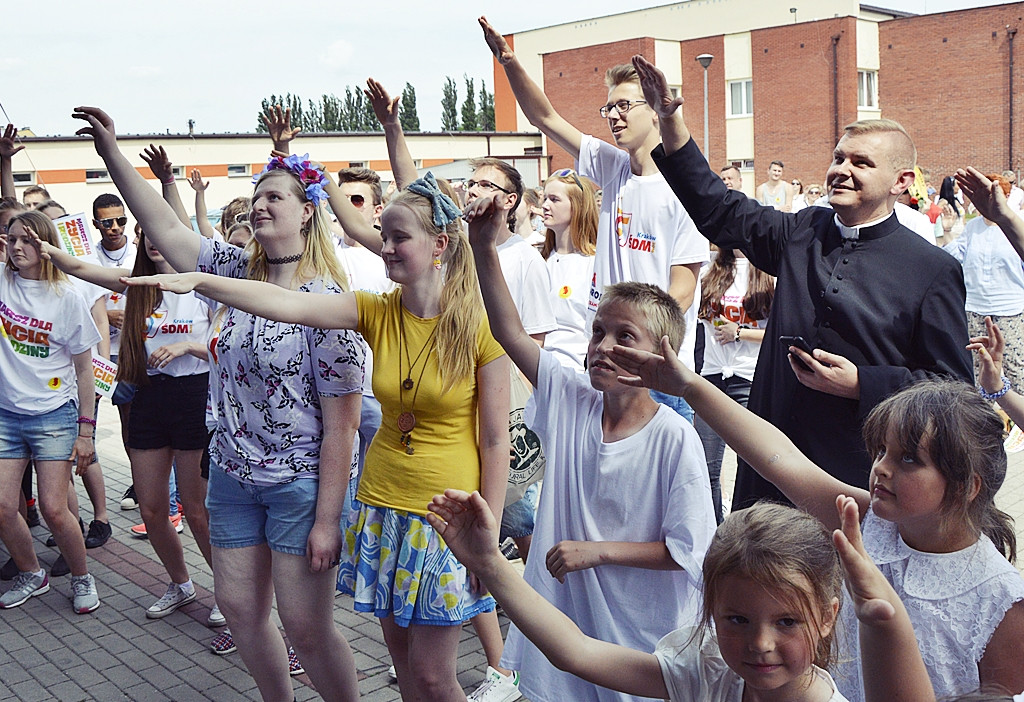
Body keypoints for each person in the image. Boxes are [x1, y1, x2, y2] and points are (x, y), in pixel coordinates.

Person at [124, 170, 511, 702]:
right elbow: (287, 304)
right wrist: (203, 281)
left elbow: (495, 441)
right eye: (384, 236)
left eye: (397, 238)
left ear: (440, 245)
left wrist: (487, 538)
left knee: (432, 676)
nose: (384, 248)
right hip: (384, 507)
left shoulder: (480, 326)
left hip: (446, 518)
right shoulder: (375, 309)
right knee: (404, 669)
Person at [73, 105, 362, 701]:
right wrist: (112, 154)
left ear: (308, 211)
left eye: (274, 197)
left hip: (299, 485)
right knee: (238, 608)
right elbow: (166, 227)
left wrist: (328, 520)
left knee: (306, 629)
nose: (259, 205)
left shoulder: (330, 304)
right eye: (255, 197)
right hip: (232, 475)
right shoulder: (234, 269)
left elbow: (343, 427)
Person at [632, 54, 974, 507]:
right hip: (769, 459)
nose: (842, 169)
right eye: (838, 158)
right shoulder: (804, 230)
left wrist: (863, 383)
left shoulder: (932, 268)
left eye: (861, 162)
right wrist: (670, 120)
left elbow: (954, 388)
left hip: (854, 471)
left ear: (901, 181)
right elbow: (719, 209)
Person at [607, 335, 1024, 701]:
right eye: (881, 451)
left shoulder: (1002, 601)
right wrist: (691, 387)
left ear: (966, 486)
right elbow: (779, 458)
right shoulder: (866, 521)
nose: (881, 468)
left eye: (909, 459)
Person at [463, 191, 716, 702]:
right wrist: (483, 248)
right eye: (598, 331)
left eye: (625, 336)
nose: (603, 346)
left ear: (663, 353)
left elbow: (688, 550)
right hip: (567, 620)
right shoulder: (571, 399)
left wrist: (595, 552)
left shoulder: (673, 438)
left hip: (639, 633)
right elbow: (509, 331)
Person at [479, 16, 708, 423]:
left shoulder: (685, 188)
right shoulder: (613, 167)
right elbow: (545, 118)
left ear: (656, 111)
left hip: (657, 375)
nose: (614, 116)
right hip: (603, 365)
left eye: (625, 106)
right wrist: (509, 62)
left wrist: (636, 344)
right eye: (610, 108)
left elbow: (683, 291)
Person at [427, 492, 846, 702]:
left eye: (787, 621)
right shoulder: (708, 674)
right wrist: (489, 564)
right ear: (712, 611)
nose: (761, 643)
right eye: (738, 619)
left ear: (828, 616)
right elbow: (576, 652)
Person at [30, 228, 218, 623]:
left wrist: (186, 346)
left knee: (196, 510)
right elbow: (85, 270)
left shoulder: (204, 285)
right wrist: (47, 249)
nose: (153, 240)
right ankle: (180, 583)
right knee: (151, 508)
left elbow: (224, 348)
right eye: (146, 234)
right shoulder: (138, 285)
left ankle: (229, 593)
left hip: (194, 396)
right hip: (149, 396)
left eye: (160, 233)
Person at [0, 210, 101, 614]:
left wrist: (86, 431)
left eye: (27, 240)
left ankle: (82, 577)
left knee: (55, 510)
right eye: (11, 239)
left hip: (53, 415)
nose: (17, 247)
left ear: (45, 245)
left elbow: (85, 370)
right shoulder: (2, 281)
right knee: (3, 508)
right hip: (6, 415)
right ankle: (31, 573)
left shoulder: (67, 297)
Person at [695, 248, 774, 522]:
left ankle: (744, 531)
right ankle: (714, 530)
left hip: (748, 378)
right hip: (712, 376)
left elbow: (778, 330)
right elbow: (702, 317)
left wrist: (739, 333)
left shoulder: (769, 272)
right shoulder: (710, 269)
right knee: (705, 467)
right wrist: (725, 326)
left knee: (750, 467)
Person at [944, 173, 1024, 394]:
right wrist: (947, 231)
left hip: (1009, 310)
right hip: (975, 309)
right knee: (978, 367)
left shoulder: (1017, 225)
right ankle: (983, 413)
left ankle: (1016, 414)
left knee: (1014, 367)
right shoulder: (973, 227)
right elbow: (952, 257)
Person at [538, 168, 598, 371]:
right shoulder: (539, 260)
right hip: (535, 369)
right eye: (545, 198)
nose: (545, 206)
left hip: (577, 371)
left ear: (577, 206)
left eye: (554, 199)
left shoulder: (594, 263)